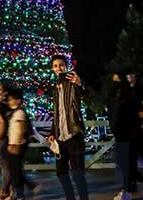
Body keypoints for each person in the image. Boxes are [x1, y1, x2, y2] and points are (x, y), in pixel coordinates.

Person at [47, 54, 88, 200]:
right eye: (55, 66)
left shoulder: (73, 83)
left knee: (77, 173)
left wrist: (79, 83)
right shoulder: (54, 89)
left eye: (61, 65)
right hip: (60, 137)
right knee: (61, 172)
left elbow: (86, 96)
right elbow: (57, 113)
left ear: (67, 66)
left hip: (74, 134)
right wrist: (53, 132)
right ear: (52, 69)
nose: (59, 68)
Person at [108, 73, 138, 200]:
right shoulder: (115, 96)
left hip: (127, 134)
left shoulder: (127, 96)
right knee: (123, 163)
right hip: (120, 134)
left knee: (126, 163)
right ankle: (127, 189)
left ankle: (127, 191)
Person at [0, 87, 31, 200]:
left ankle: (20, 194)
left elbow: (21, 129)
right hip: (12, 144)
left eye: (12, 99)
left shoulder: (20, 113)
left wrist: (16, 145)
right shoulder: (13, 112)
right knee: (14, 171)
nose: (9, 101)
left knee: (16, 172)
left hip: (16, 146)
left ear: (18, 100)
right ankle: (22, 191)